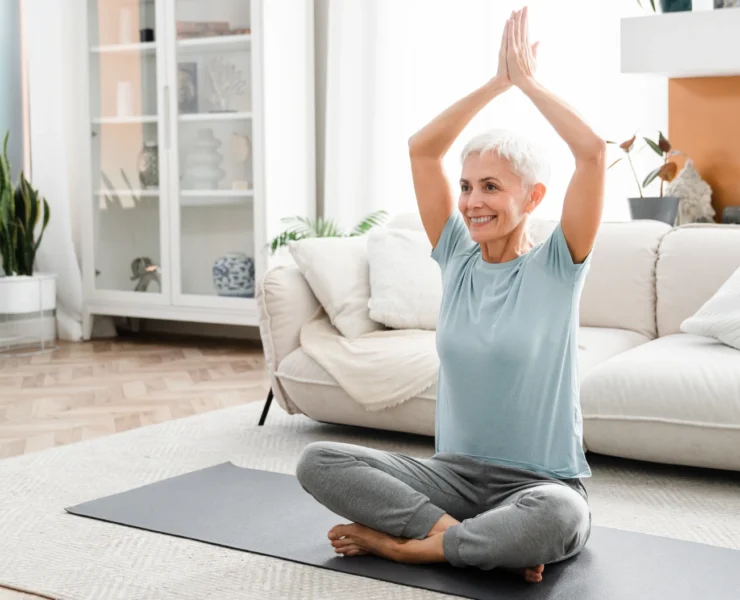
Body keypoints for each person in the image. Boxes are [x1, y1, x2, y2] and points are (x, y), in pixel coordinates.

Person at [295, 6, 605, 584]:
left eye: (491, 187)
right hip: (453, 481)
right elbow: (422, 150)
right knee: (319, 461)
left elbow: (591, 152)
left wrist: (529, 85)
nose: (472, 202)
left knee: (562, 516)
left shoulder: (559, 265)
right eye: (466, 187)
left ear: (533, 197)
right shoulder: (458, 259)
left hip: (539, 484)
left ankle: (406, 547)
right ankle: (462, 540)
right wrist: (497, 83)